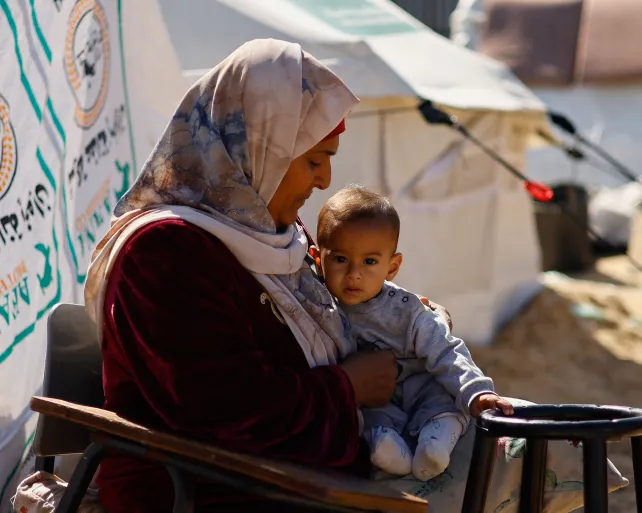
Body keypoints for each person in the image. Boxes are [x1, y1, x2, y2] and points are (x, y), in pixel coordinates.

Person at [83, 39, 450, 512]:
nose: (324, 181)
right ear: (256, 148)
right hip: (209, 493)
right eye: (313, 160)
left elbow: (346, 313)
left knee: (523, 444)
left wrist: (405, 320)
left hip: (308, 477)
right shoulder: (165, 252)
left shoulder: (278, 235)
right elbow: (221, 410)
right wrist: (348, 389)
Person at [310, 187, 514, 482]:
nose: (354, 273)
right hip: (378, 400)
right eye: (341, 259)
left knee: (441, 401)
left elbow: (446, 350)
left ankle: (436, 442)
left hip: (420, 385)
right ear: (318, 259)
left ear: (392, 267)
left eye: (369, 262)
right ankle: (392, 453)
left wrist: (477, 391)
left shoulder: (407, 310)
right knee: (370, 421)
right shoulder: (319, 307)